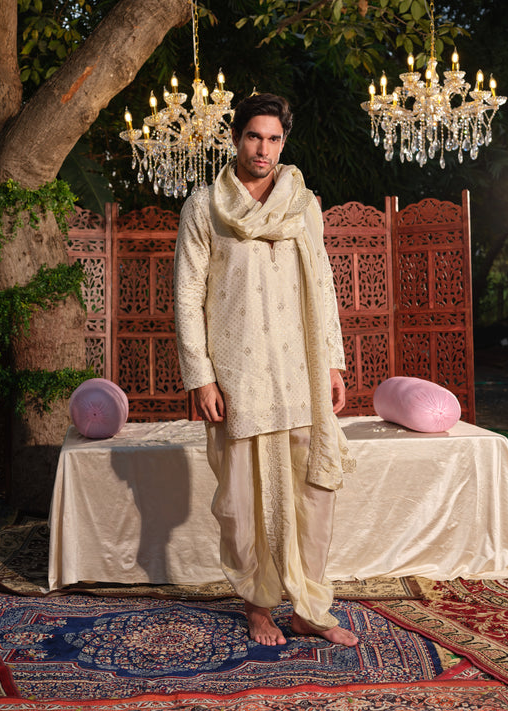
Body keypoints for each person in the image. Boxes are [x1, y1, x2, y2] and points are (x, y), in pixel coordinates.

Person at [174, 93, 357, 648]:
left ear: (284, 142)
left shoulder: (303, 204)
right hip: (238, 374)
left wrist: (333, 361)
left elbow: (323, 283)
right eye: (254, 136)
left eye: (274, 138)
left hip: (299, 369)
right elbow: (187, 296)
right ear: (235, 138)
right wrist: (200, 376)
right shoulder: (205, 207)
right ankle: (258, 607)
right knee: (240, 501)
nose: (264, 148)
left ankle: (309, 607)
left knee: (312, 493)